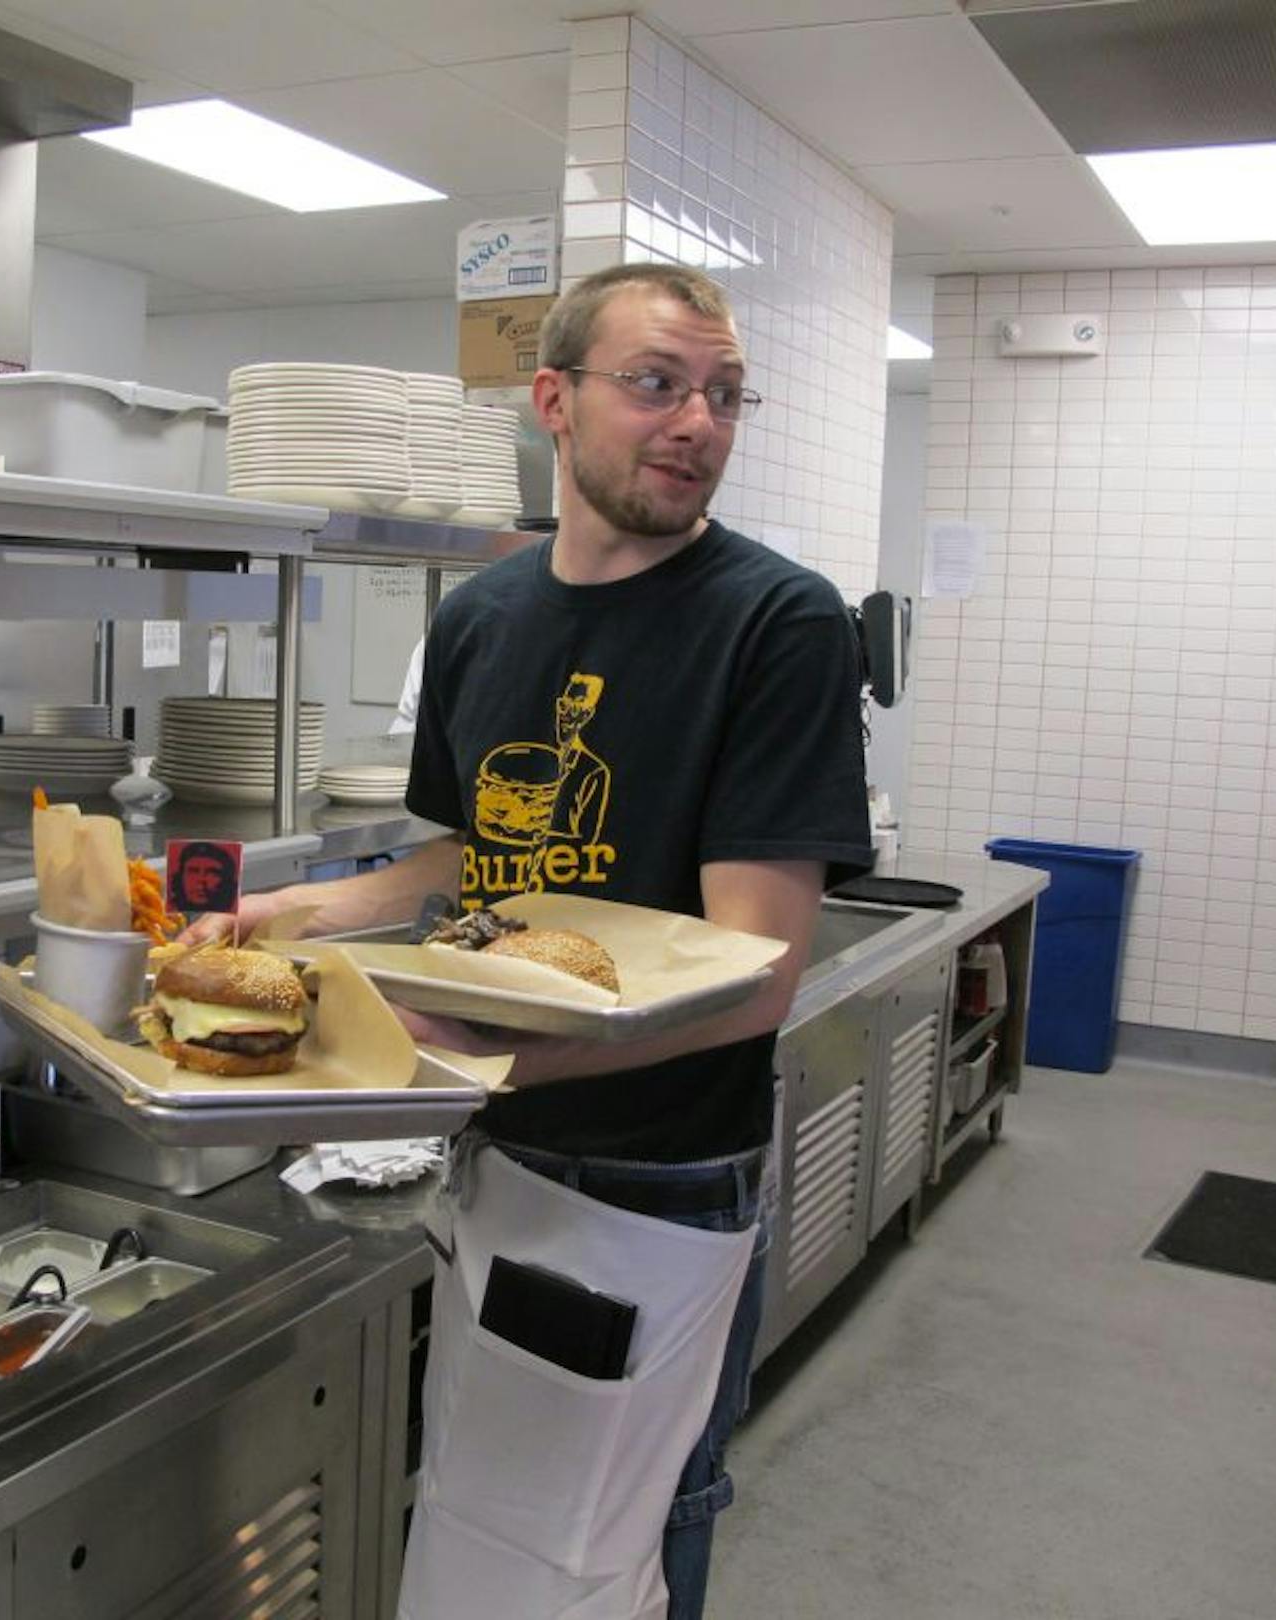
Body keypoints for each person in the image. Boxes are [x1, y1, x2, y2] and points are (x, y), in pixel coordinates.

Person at [194, 261, 871, 1615]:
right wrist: (299, 914)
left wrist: (471, 1067)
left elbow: (759, 976)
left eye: (725, 395)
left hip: (667, 1180)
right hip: (504, 1167)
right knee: (498, 1508)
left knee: (628, 1522)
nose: (698, 424)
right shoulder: (481, 618)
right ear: (554, 403)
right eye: (659, 385)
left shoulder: (777, 624)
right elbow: (461, 863)